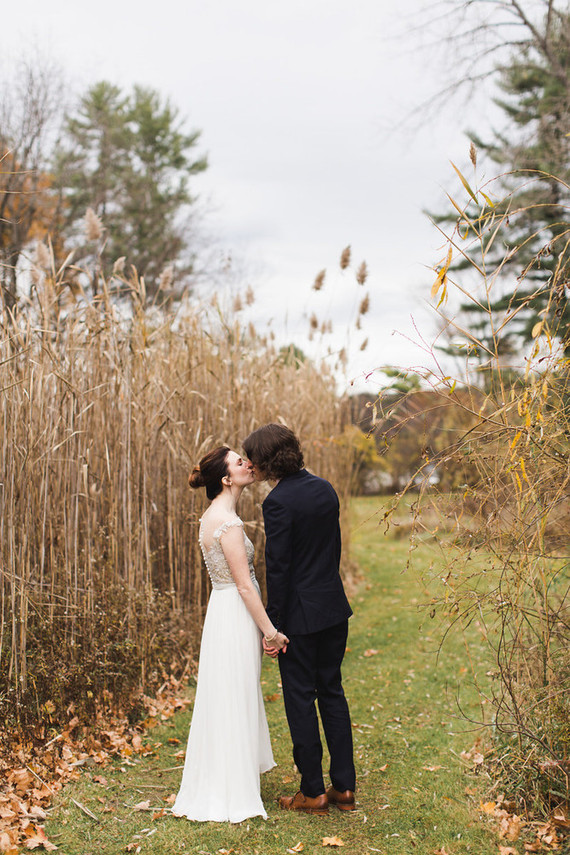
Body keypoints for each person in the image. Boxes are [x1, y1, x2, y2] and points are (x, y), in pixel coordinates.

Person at [242, 424, 356, 816]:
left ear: (266, 460)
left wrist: (272, 628)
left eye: (253, 457)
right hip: (333, 608)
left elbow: (280, 569)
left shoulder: (277, 502)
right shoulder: (325, 488)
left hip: (299, 618)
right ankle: (344, 787)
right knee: (333, 693)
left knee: (300, 701)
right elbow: (331, 550)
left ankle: (312, 792)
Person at [172, 446, 288, 823]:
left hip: (221, 613)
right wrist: (269, 631)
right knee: (235, 692)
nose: (249, 464)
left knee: (226, 693)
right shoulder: (230, 524)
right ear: (226, 479)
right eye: (240, 463)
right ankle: (232, 789)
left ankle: (225, 777)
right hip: (235, 612)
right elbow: (245, 585)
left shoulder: (210, 517)